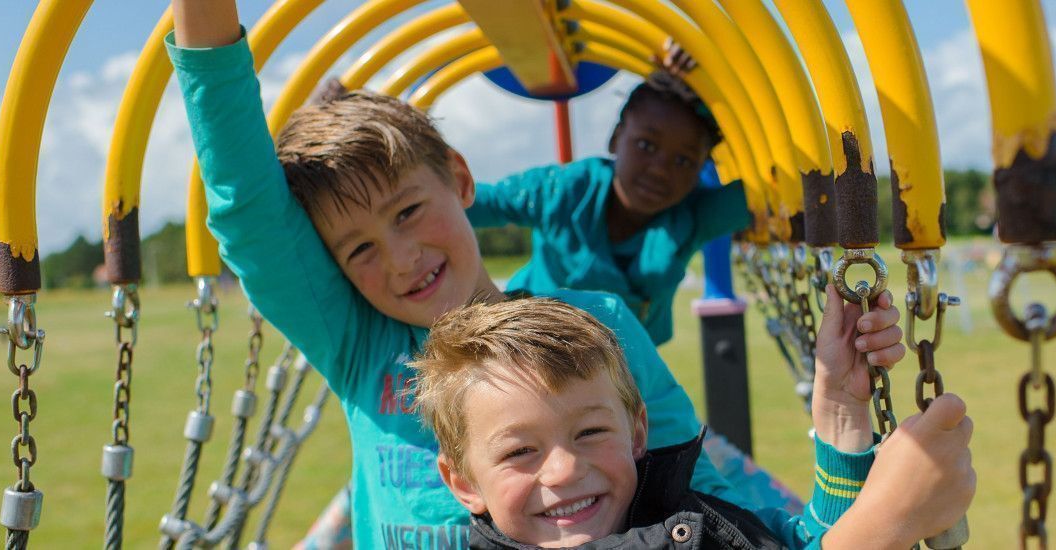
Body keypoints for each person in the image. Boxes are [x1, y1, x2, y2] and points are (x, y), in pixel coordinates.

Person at [164, 2, 928, 548]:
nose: (399, 259)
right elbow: (244, 205)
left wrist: (839, 419)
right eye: (358, 249)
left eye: (406, 212)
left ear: (460, 180)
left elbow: (747, 523)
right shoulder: (359, 341)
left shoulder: (597, 329)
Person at [412, 294, 975, 548]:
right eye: (519, 452)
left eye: (589, 432)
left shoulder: (678, 514)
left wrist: (841, 412)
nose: (562, 470)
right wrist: (888, 525)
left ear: (637, 432)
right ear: (462, 482)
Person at [468, 69, 741, 347]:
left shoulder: (692, 214)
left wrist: (715, 80)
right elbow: (475, 201)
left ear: (701, 169)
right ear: (615, 138)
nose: (660, 170)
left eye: (683, 161)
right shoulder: (563, 191)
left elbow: (770, 194)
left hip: (622, 365)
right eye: (646, 145)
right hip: (534, 345)